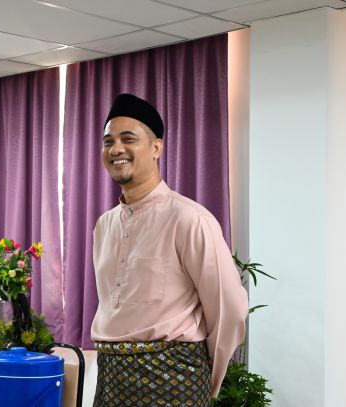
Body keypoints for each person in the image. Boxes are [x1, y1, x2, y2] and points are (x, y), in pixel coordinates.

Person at [91, 93, 249, 406]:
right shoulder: (104, 225)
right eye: (108, 142)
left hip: (173, 377)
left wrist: (201, 375)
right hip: (111, 378)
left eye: (128, 139)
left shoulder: (189, 219)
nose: (116, 149)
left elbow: (229, 307)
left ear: (156, 148)